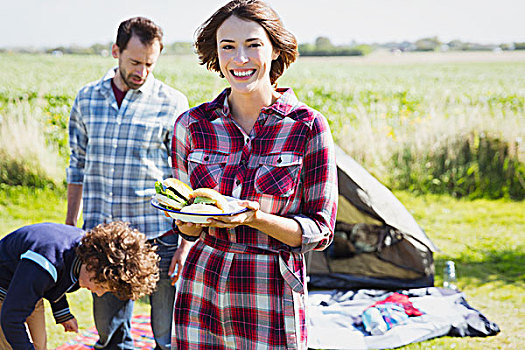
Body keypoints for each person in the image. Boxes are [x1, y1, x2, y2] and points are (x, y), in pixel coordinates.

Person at [171, 1, 338, 348]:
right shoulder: (191, 126)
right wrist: (187, 220)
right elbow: (185, 226)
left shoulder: (307, 127)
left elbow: (319, 231)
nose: (240, 58)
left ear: (275, 49)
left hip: (271, 291)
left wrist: (255, 218)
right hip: (203, 286)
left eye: (253, 44)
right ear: (215, 56)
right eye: (227, 46)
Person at [65, 17, 191, 350]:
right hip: (102, 239)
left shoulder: (173, 103)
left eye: (150, 64)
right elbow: (76, 167)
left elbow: (184, 179)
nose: (142, 71)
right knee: (110, 336)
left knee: (168, 334)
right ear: (116, 52)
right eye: (135, 62)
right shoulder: (86, 100)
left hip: (158, 236)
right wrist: (68, 226)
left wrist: (185, 241)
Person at [0, 221, 159, 350]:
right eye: (102, 287)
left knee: (39, 345)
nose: (99, 294)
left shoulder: (86, 252)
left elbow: (53, 282)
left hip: (27, 287)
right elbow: (11, 318)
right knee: (12, 343)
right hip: (5, 289)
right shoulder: (45, 263)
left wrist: (62, 312)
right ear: (94, 263)